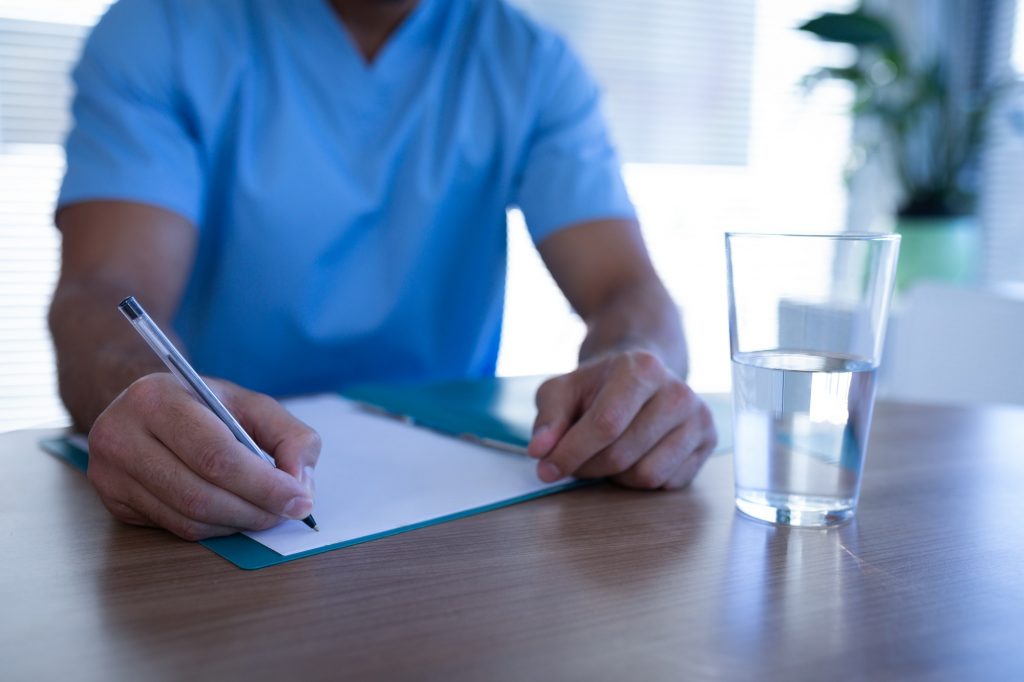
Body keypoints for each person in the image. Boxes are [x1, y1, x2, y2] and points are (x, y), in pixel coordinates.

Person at [50, 0, 718, 542]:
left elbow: (627, 290)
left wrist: (637, 369)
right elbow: (104, 291)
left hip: (451, 506)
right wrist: (135, 389)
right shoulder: (159, 29)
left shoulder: (532, 63)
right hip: (213, 496)